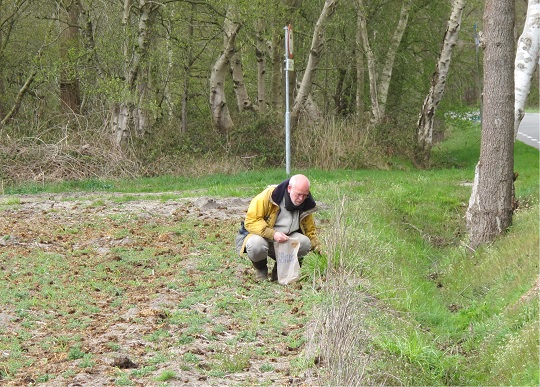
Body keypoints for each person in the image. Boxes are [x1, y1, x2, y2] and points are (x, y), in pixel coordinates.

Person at [235, 174, 321, 281]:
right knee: (255, 245)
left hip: (287, 240)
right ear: (289, 188)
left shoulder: (307, 203)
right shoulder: (269, 196)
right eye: (298, 194)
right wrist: (273, 234)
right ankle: (261, 269)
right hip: (265, 236)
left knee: (305, 243)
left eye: (305, 195)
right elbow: (251, 221)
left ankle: (280, 270)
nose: (301, 199)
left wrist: (319, 249)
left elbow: (310, 231)